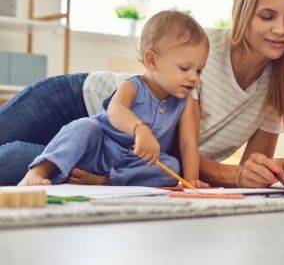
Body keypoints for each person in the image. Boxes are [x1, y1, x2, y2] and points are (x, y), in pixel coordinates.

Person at [0, 0, 284, 190]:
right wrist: (229, 176)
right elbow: (186, 149)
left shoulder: (280, 88)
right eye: (267, 16)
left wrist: (274, 172)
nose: (281, 30)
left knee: (17, 165)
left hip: (116, 154)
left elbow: (251, 169)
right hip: (79, 102)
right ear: (243, 12)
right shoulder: (203, 53)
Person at [19, 11, 210, 187]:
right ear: (152, 61)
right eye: (185, 68)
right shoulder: (132, 86)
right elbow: (115, 110)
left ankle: (105, 181)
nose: (194, 77)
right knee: (85, 127)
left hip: (135, 163)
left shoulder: (186, 102)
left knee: (172, 167)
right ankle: (38, 171)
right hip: (100, 148)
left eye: (199, 70)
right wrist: (139, 129)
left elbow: (188, 144)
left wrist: (192, 181)